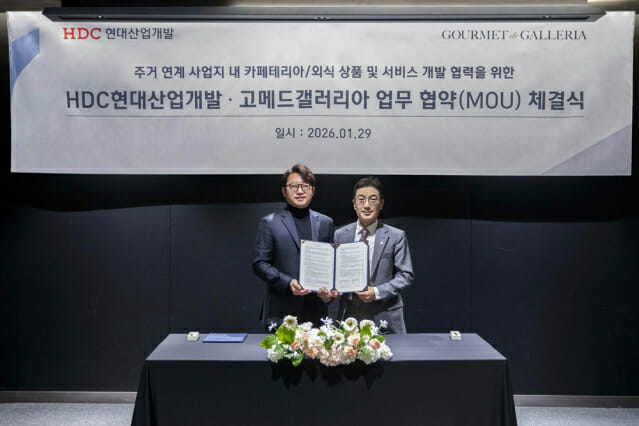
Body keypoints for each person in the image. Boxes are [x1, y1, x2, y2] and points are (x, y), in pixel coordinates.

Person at [253, 164, 335, 328]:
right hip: (281, 310)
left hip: (316, 311)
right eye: (294, 186)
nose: (300, 191)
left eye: (305, 186)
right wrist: (288, 282)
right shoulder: (270, 222)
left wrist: (328, 291)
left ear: (313, 190)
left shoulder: (326, 222)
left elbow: (330, 262)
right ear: (284, 191)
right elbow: (260, 263)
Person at [334, 177, 414, 334]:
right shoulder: (340, 235)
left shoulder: (396, 236)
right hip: (349, 313)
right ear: (354, 204)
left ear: (381, 204)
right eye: (361, 200)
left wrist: (376, 292)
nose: (366, 205)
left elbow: (406, 275)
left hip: (384, 314)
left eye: (373, 199)